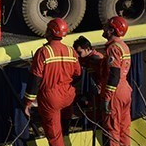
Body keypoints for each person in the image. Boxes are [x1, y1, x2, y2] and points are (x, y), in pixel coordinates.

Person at [23, 18, 81, 146]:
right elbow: (78, 74)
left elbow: (35, 79)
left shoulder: (43, 52)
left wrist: (28, 102)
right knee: (65, 128)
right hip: (68, 95)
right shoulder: (71, 51)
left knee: (54, 136)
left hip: (51, 98)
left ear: (50, 31)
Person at [100, 16, 132, 146]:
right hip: (125, 90)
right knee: (124, 129)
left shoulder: (113, 48)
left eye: (107, 26)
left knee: (111, 130)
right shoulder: (124, 46)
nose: (104, 28)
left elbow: (114, 74)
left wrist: (107, 97)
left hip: (115, 94)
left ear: (112, 30)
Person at [73, 36, 105, 123]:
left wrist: (99, 87)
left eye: (80, 52)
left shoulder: (97, 59)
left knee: (98, 113)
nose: (78, 55)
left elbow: (104, 76)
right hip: (91, 89)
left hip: (99, 91)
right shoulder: (83, 59)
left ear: (87, 49)